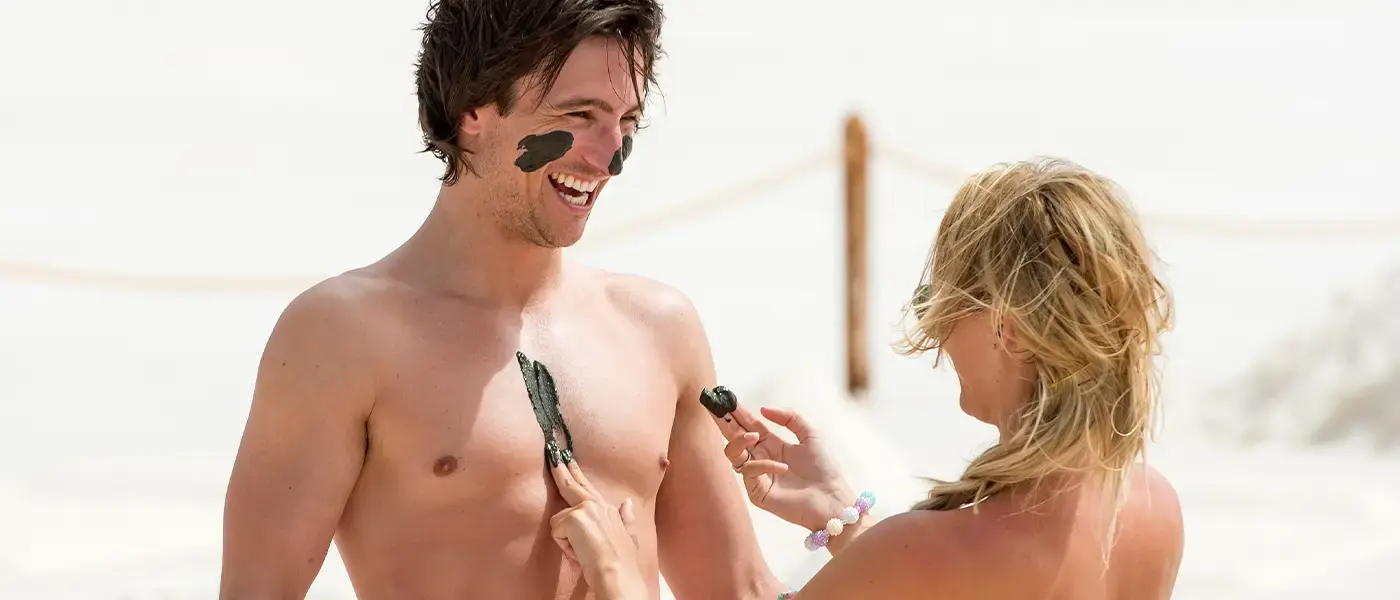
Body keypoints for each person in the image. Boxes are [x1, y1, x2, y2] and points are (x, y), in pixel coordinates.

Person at [218, 1, 786, 598]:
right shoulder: (344, 336)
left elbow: (740, 589)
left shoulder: (658, 329)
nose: (609, 157)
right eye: (579, 114)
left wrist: (850, 522)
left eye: (627, 122)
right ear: (472, 110)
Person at [549, 158, 1186, 599]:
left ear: (1007, 329)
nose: (939, 337)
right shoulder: (1151, 509)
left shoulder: (933, 549)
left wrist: (617, 574)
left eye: (949, 302)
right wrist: (840, 518)